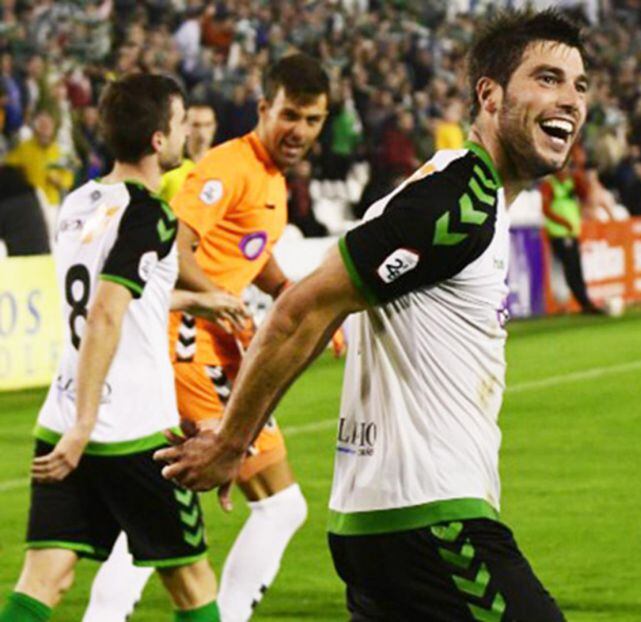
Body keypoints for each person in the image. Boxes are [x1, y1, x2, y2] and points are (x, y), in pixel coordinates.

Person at [155, 9, 589, 619]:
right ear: (488, 95)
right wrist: (233, 440)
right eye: (547, 78)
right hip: (430, 523)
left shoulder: (460, 197)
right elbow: (302, 310)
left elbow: (320, 309)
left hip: (383, 525)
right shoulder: (457, 201)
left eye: (579, 85)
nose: (569, 99)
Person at [85, 54, 328, 622]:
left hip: (196, 346)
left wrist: (293, 293)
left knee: (167, 500)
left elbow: (251, 252)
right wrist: (217, 299)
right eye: (290, 114)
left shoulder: (268, 178)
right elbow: (175, 244)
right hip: (185, 344)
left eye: (314, 120)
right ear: (265, 107)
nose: (301, 131)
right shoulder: (228, 168)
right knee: (276, 504)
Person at [0, 73, 245, 622]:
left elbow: (109, 293)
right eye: (181, 123)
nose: (186, 133)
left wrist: (185, 300)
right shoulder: (150, 214)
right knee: (190, 581)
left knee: (46, 579)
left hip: (59, 419)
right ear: (159, 140)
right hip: (132, 433)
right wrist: (89, 422)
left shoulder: (79, 204)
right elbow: (108, 310)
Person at [540, 163, 604, 315]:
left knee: (573, 268)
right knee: (571, 268)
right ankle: (582, 302)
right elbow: (546, 209)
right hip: (559, 234)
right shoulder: (550, 185)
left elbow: (586, 195)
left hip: (571, 233)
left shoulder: (572, 183)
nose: (566, 171)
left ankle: (580, 302)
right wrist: (564, 223)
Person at [4, 109, 74, 207]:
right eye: (41, 125)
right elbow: (7, 166)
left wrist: (59, 181)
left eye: (47, 125)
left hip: (51, 204)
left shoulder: (60, 151)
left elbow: (68, 178)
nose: (44, 129)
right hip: (29, 205)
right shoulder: (24, 148)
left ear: (53, 128)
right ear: (35, 128)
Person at [158, 103, 218, 203]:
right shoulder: (170, 168)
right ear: (185, 127)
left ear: (215, 126)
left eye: (208, 125)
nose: (202, 132)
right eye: (196, 125)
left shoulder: (224, 166)